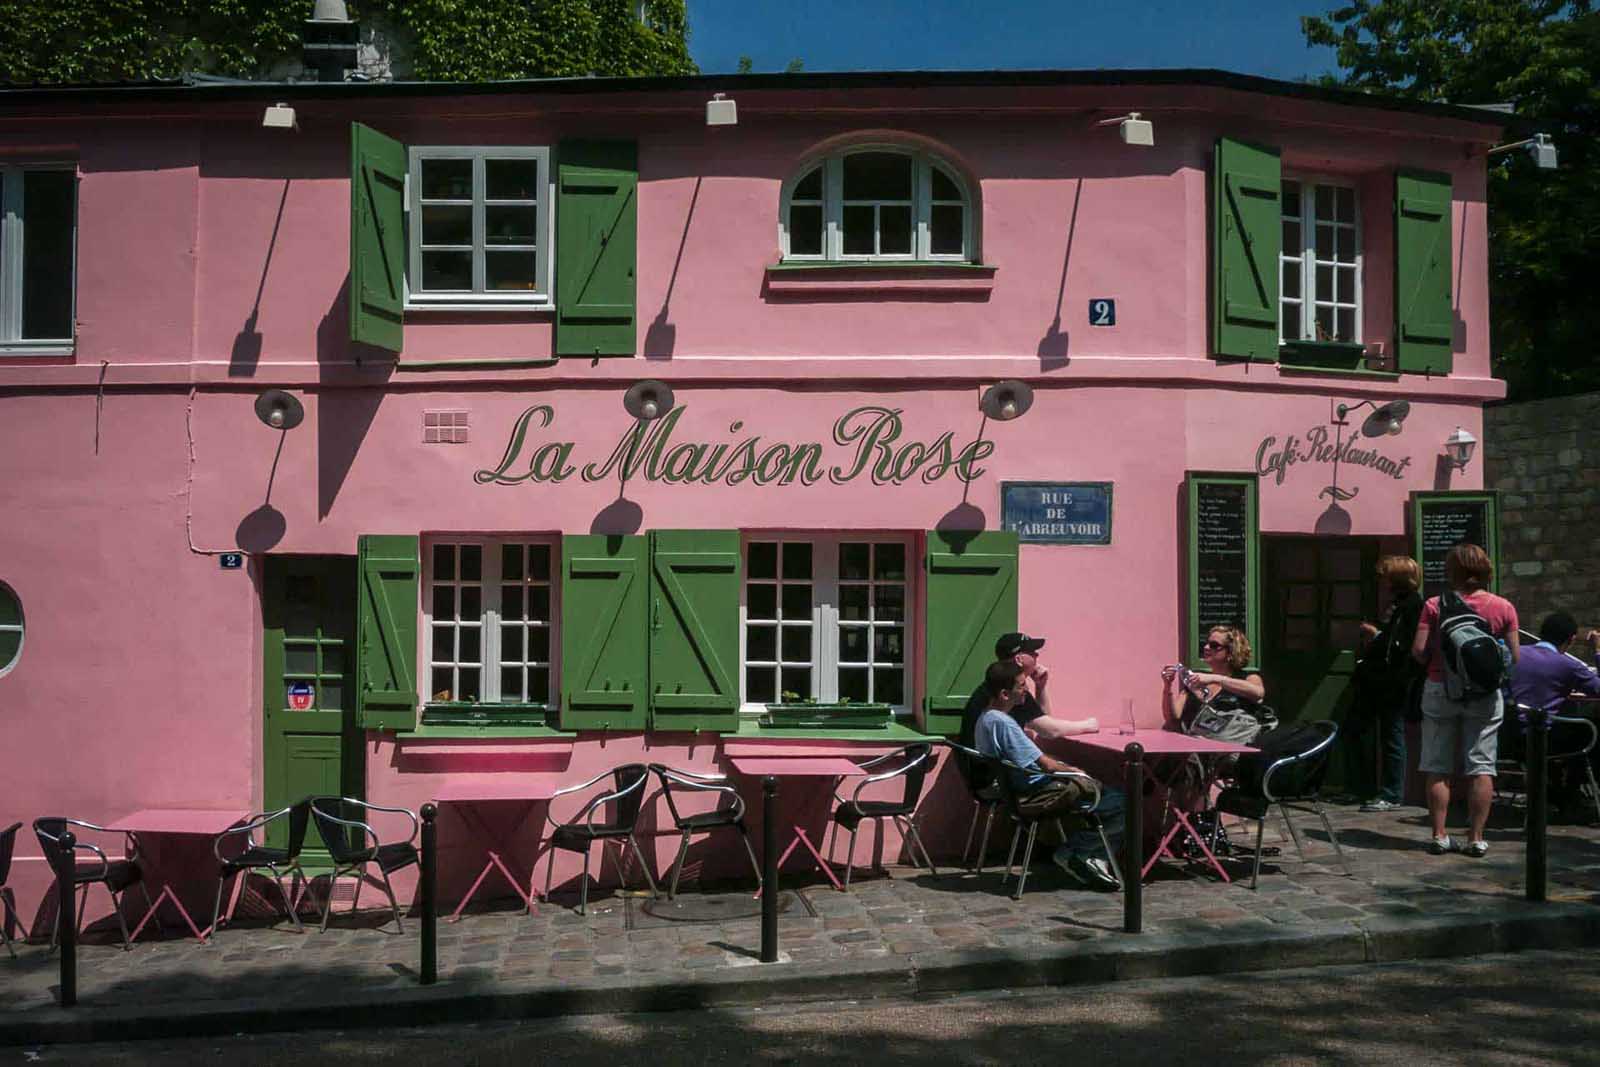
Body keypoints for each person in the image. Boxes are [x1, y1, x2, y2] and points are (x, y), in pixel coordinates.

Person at [973, 660, 1124, 891]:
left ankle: (1090, 858)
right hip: (1039, 794)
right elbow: (1045, 764)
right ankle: (1076, 852)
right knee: (1125, 805)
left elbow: (1031, 759)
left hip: (1018, 793)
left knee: (1107, 795)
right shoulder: (1005, 723)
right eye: (1022, 685)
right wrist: (1076, 772)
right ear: (1005, 694)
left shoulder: (986, 718)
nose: (1026, 690)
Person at [1410, 543, 1519, 857]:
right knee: (1481, 766)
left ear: (1452, 571)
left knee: (1437, 765)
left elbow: (1418, 651)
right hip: (1484, 694)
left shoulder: (1434, 604)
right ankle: (1476, 838)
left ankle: (1440, 835)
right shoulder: (1503, 607)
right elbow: (1514, 658)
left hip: (1440, 688)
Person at [1508, 612, 1600, 816]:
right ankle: (1570, 796)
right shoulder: (1568, 665)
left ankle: (1554, 794)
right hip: (1544, 739)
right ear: (1571, 639)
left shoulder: (1514, 655)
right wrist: (1598, 651)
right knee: (1590, 733)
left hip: (1508, 739)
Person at [1353, 556, 1425, 812]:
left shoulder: (1412, 605)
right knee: (1382, 734)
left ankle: (1392, 792)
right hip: (1383, 681)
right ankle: (1372, 787)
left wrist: (1376, 635)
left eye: (1385, 576)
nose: (1382, 581)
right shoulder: (1398, 604)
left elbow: (1402, 645)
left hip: (1396, 681)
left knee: (1393, 736)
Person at [958, 632, 1099, 750]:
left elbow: (1045, 721)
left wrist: (1040, 686)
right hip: (990, 777)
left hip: (977, 770)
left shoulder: (998, 682)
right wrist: (1088, 725)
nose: (1037, 655)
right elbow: (1050, 731)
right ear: (1019, 659)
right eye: (1032, 652)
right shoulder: (1011, 691)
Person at [1160, 625, 1268, 734]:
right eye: (1206, 643)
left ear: (1231, 652)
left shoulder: (1248, 678)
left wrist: (1215, 678)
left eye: (1214, 645)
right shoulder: (1197, 681)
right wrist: (1167, 686)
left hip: (1232, 746)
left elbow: (1258, 693)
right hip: (1196, 746)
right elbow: (1173, 718)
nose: (1206, 647)